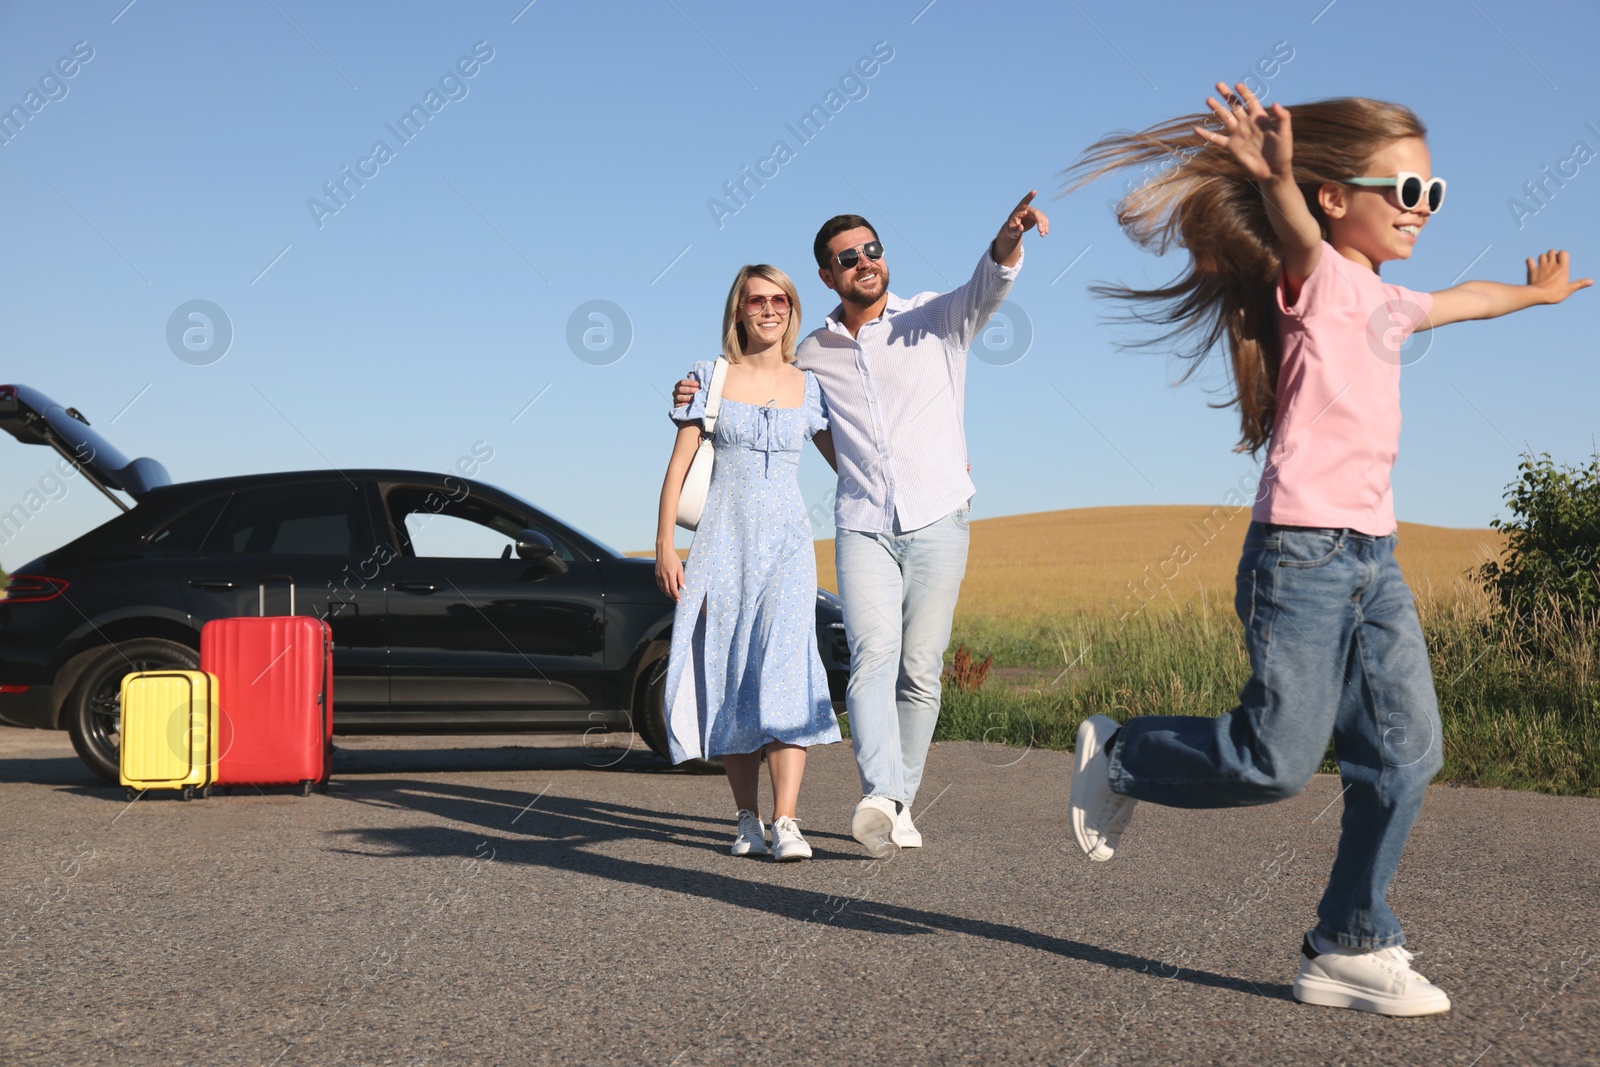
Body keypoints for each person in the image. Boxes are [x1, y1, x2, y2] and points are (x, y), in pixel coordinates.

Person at [1063, 83, 1591, 1015]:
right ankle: (1125, 754)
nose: (1422, 210)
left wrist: (1535, 294)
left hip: (1371, 562)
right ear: (1336, 197)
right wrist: (1274, 179)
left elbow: (1468, 297)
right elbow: (1299, 233)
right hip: (1300, 557)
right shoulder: (1315, 278)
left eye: (1434, 195)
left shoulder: (1388, 302)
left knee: (1405, 755)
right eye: (1406, 192)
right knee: (1273, 759)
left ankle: (1349, 941)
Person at [676, 193, 1049, 857]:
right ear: (828, 275)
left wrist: (1008, 238)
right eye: (848, 258)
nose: (864, 262)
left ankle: (900, 799)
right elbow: (768, 393)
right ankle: (880, 792)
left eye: (872, 250)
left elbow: (988, 283)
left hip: (939, 516)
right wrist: (696, 390)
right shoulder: (814, 351)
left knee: (921, 668)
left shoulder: (936, 318)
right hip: (864, 522)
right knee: (872, 656)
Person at [654, 264, 841, 862]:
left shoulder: (809, 386)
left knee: (788, 668)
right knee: (732, 671)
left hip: (788, 546)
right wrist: (664, 545)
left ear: (792, 308)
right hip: (721, 544)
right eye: (756, 300)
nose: (769, 309)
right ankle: (746, 819)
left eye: (779, 299)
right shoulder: (707, 379)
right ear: (738, 310)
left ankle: (788, 821)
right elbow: (678, 467)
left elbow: (852, 463)